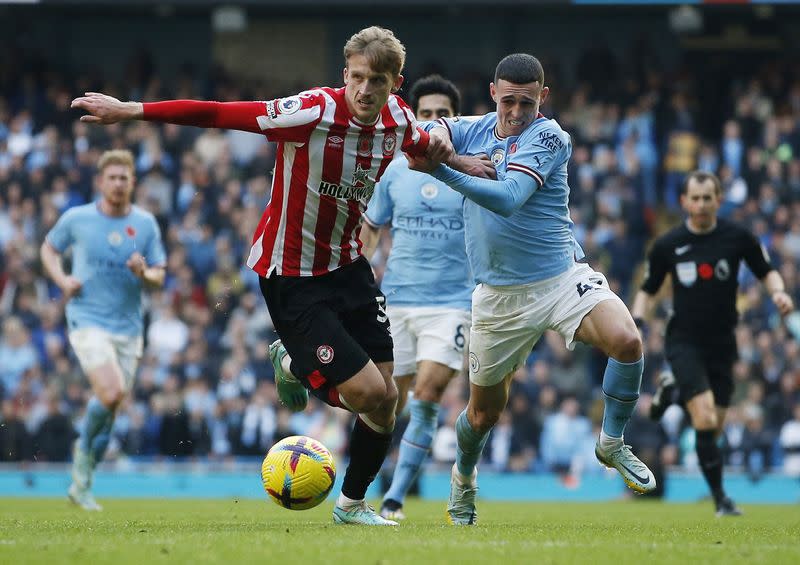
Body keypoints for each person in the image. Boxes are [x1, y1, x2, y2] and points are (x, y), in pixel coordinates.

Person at [72, 26, 452, 526]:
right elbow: (217, 114)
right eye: (356, 77)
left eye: (376, 81)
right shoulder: (312, 111)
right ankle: (295, 363)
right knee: (367, 394)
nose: (364, 90)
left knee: (388, 401)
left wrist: (466, 161)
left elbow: (424, 145)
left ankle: (352, 505)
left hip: (349, 266)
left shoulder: (399, 119)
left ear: (395, 84)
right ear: (345, 75)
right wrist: (135, 110)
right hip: (292, 274)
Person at [407, 53, 655, 525]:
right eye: (508, 102)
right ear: (493, 93)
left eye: (526, 102)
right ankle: (463, 479)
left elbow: (507, 199)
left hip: (560, 276)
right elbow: (435, 132)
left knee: (627, 339)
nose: (516, 112)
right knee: (481, 416)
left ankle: (611, 442)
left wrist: (439, 168)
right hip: (498, 296)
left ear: (542, 97)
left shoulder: (549, 136)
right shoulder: (474, 127)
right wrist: (441, 142)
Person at [361, 75, 489, 521]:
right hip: (396, 301)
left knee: (428, 394)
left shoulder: (471, 169)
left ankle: (395, 497)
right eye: (427, 113)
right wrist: (359, 271)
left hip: (451, 304)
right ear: (414, 117)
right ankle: (363, 486)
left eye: (444, 114)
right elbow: (372, 226)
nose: (435, 121)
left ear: (456, 120)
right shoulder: (393, 171)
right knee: (382, 402)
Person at [631, 170, 794, 517]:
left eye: (708, 198)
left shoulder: (738, 238)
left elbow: (766, 270)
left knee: (714, 427)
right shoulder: (668, 245)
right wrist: (638, 322)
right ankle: (721, 499)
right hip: (684, 340)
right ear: (684, 202)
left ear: (719, 200)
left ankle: (673, 391)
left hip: (723, 344)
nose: (702, 204)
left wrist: (779, 293)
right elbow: (648, 291)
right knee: (704, 418)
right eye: (696, 198)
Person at [41, 149, 166, 510]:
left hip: (128, 329)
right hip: (87, 319)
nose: (117, 183)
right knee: (110, 393)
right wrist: (62, 279)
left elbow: (160, 274)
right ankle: (82, 454)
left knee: (110, 411)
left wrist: (145, 274)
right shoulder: (77, 218)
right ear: (100, 182)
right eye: (111, 177)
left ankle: (82, 482)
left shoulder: (145, 224)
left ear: (133, 182)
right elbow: (48, 249)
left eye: (123, 178)